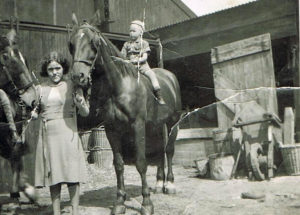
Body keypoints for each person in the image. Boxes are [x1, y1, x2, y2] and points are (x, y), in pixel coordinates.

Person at [33, 51, 89, 215]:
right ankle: (56, 212)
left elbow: (85, 112)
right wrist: (34, 113)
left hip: (68, 133)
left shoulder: (72, 86)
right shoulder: (40, 89)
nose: (55, 72)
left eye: (58, 68)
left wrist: (80, 104)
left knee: (72, 174)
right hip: (49, 136)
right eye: (50, 69)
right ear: (46, 71)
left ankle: (75, 210)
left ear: (63, 68)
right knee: (54, 176)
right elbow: (36, 109)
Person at [121, 20, 166, 105]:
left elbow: (144, 57)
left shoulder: (144, 43)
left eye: (134, 31)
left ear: (141, 32)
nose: (131, 33)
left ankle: (158, 94)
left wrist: (137, 60)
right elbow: (122, 56)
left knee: (152, 75)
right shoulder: (126, 44)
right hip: (130, 67)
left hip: (143, 66)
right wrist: (126, 61)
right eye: (130, 31)